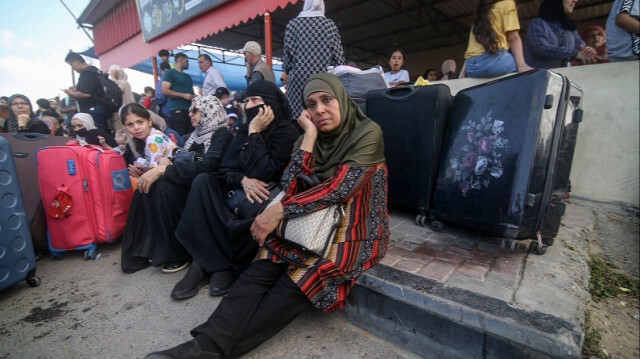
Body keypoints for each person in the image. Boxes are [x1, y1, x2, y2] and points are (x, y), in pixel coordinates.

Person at [145, 73, 389, 359]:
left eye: (327, 100)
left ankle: (213, 350)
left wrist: (279, 211)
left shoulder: (367, 132)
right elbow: (291, 184)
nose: (319, 110)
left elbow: (341, 188)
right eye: (311, 104)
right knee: (267, 260)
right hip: (310, 215)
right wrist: (309, 137)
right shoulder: (308, 137)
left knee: (302, 275)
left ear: (342, 100)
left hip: (354, 224)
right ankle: (204, 344)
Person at [168, 80, 299, 301]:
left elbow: (266, 171)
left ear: (273, 103)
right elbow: (224, 169)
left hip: (260, 203)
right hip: (237, 193)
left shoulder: (287, 131)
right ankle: (213, 266)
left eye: (256, 100)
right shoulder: (242, 130)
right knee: (203, 181)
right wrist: (242, 179)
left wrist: (255, 133)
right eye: (247, 100)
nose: (249, 106)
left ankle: (206, 264)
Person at [121, 95, 234, 274]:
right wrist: (164, 164)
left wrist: (162, 170)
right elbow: (184, 158)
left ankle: (177, 252)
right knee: (150, 186)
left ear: (209, 110)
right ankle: (149, 249)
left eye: (195, 110)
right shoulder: (195, 136)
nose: (190, 114)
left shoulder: (221, 134)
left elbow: (208, 166)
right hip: (191, 182)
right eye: (190, 110)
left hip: (210, 188)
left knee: (161, 185)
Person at [283, 0, 345, 119]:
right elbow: (339, 60)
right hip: (323, 81)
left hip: (297, 83)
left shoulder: (292, 25)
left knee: (299, 121)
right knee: (322, 119)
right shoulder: (329, 25)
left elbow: (287, 62)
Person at [461, 0, 532, 78]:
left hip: (471, 68)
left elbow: (471, 51)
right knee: (533, 74)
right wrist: (521, 66)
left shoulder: (481, 12)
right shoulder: (508, 3)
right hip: (493, 63)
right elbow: (513, 38)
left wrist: (462, 74)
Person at [525, 0, 599, 68]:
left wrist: (587, 51)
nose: (575, 1)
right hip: (540, 78)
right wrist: (573, 53)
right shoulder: (538, 23)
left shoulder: (570, 28)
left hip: (564, 79)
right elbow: (539, 48)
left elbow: (580, 47)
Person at [121, 103, 177, 174]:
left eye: (140, 122)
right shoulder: (148, 138)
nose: (136, 127)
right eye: (130, 125)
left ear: (149, 122)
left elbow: (155, 175)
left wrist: (139, 175)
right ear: (126, 128)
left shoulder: (153, 139)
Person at [64, 51, 111, 131]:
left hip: (93, 110)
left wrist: (71, 93)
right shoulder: (95, 71)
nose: (73, 68)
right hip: (100, 107)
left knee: (97, 134)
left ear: (77, 62)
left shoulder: (87, 73)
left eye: (71, 65)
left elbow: (86, 93)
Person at [161, 53, 195, 135]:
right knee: (181, 134)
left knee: (191, 134)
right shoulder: (170, 73)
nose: (188, 63)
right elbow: (164, 90)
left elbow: (192, 93)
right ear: (180, 60)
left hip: (190, 111)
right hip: (178, 110)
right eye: (187, 61)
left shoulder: (188, 77)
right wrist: (184, 95)